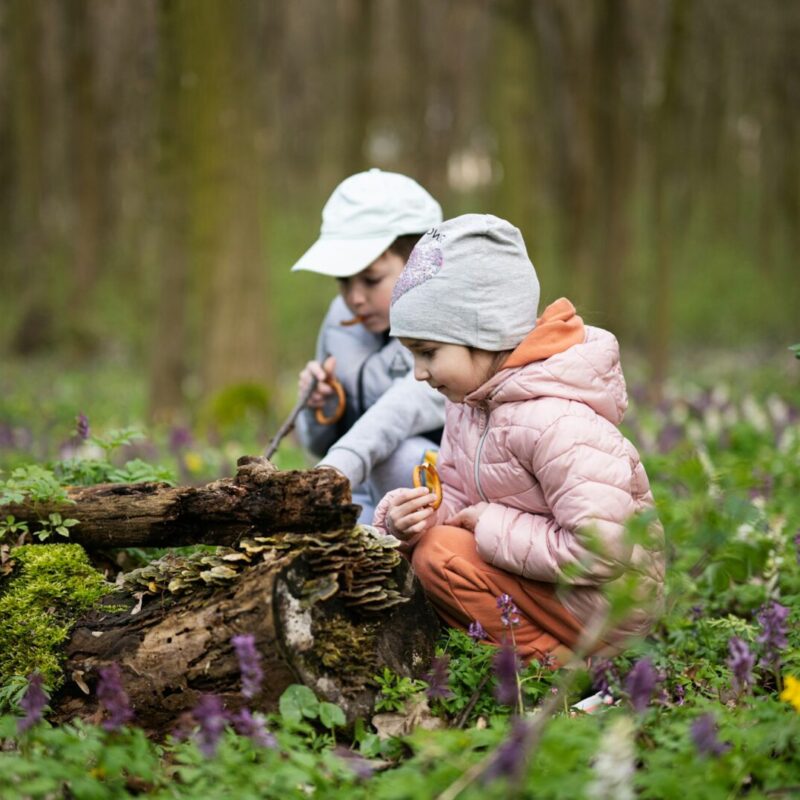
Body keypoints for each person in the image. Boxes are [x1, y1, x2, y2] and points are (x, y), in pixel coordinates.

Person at [373, 214, 665, 666]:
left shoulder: (557, 421)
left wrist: (488, 525)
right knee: (430, 546)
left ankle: (561, 665)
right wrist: (412, 519)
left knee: (439, 557)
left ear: (484, 334)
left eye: (429, 353)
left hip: (608, 604)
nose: (419, 373)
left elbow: (602, 550)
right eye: (412, 354)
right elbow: (458, 498)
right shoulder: (469, 404)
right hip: (546, 585)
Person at [291, 169, 446, 522]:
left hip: (434, 490)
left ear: (420, 264)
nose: (355, 298)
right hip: (356, 486)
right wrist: (322, 407)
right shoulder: (339, 320)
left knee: (401, 457)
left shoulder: (446, 323)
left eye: (371, 279)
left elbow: (401, 408)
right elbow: (317, 444)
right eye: (343, 282)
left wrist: (333, 470)